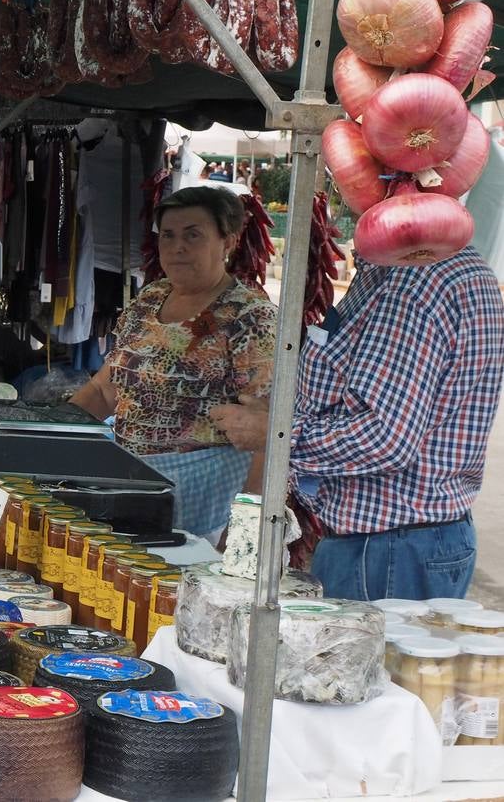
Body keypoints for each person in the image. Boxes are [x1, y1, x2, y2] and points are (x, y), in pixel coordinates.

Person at [211, 246, 504, 601]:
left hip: (387, 550)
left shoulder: (415, 277)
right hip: (399, 542)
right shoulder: (415, 267)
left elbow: (386, 438)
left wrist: (276, 434)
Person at [69, 186, 276, 541]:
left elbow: (269, 431)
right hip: (134, 486)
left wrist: (244, 527)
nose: (177, 247)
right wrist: (46, 438)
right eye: (168, 235)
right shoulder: (150, 298)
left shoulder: (249, 317)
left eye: (193, 235)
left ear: (228, 241)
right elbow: (105, 390)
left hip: (207, 503)